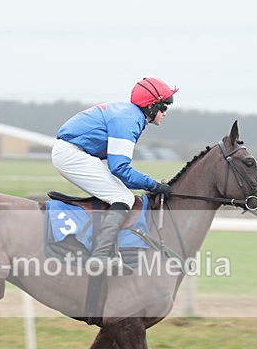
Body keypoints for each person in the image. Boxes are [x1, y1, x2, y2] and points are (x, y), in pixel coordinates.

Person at [51, 77, 177, 271]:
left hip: (74, 152)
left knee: (119, 194)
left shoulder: (130, 114)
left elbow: (118, 169)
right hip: (71, 154)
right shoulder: (129, 120)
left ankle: (107, 250)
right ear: (151, 106)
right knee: (123, 197)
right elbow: (120, 169)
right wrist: (153, 185)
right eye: (164, 107)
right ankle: (101, 256)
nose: (165, 113)